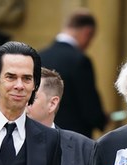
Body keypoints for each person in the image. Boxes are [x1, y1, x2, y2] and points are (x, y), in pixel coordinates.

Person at [39, 8, 106, 139]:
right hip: (72, 139)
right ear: (87, 32)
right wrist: (101, 119)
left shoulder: (39, 56)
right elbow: (89, 107)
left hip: (40, 134)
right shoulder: (80, 60)